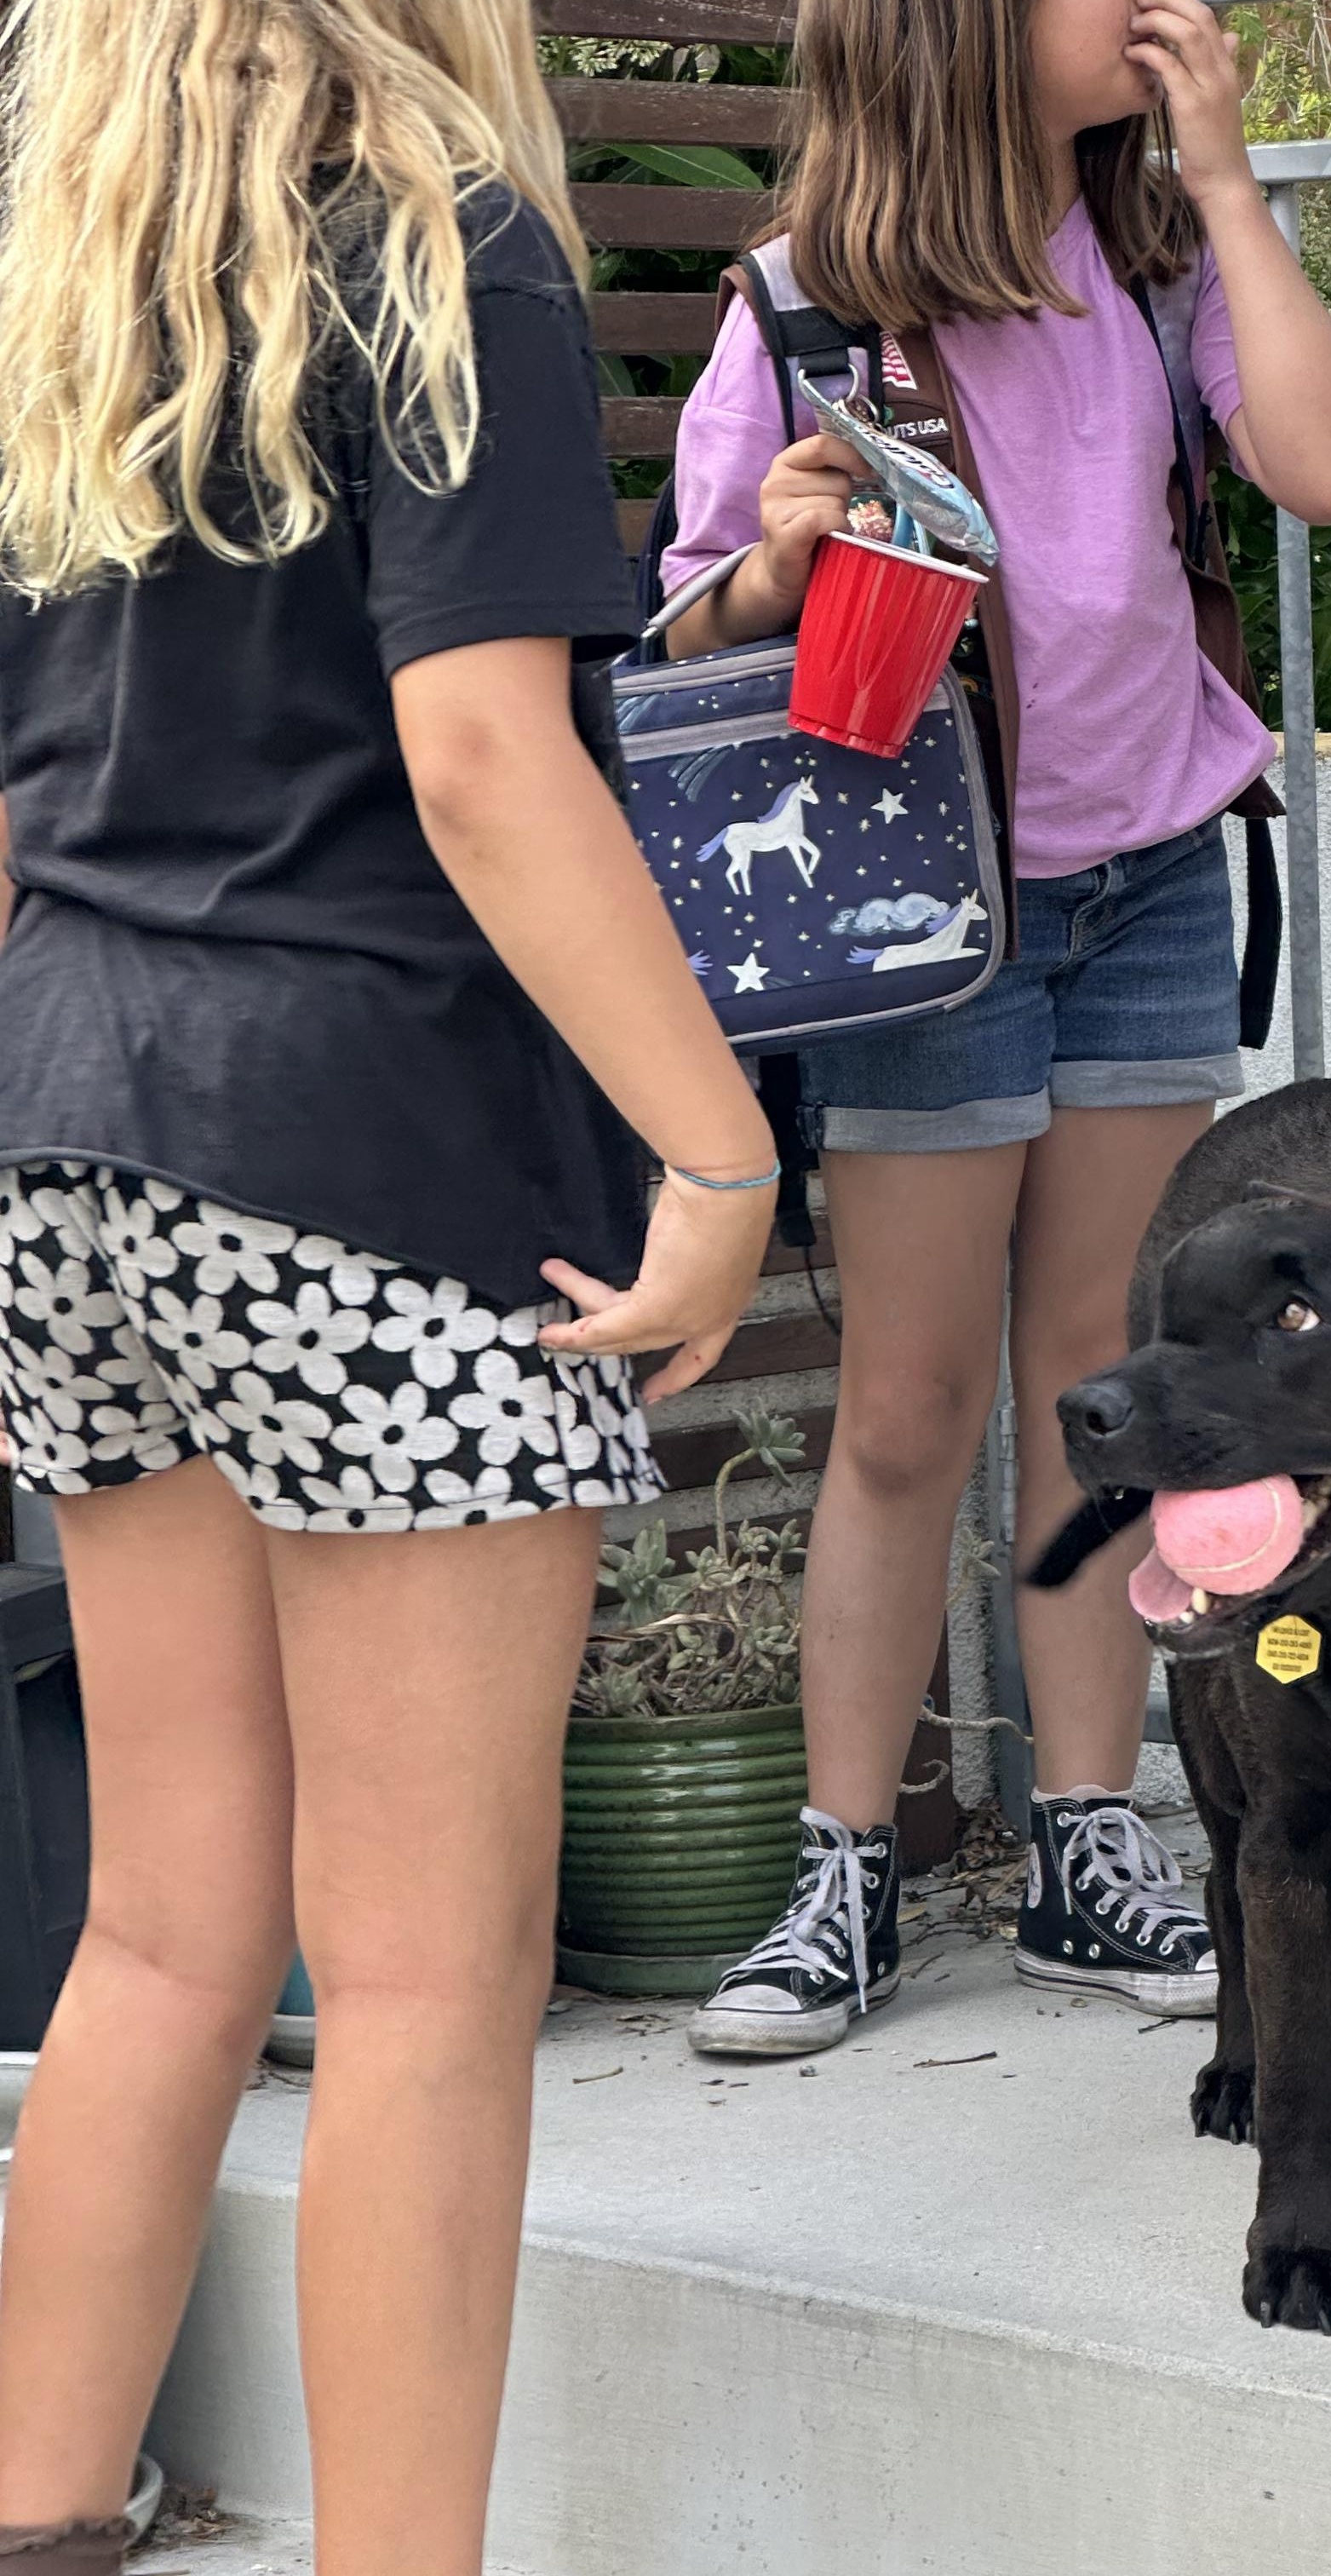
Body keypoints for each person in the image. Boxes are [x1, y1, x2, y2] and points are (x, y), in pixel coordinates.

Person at [0, 3, 775, 2566]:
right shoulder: (441, 246)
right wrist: (714, 1139)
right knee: (433, 1986)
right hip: (374, 1147)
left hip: (78, 1126)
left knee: (156, 1926)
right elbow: (479, 752)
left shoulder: (65, 282)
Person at [662, 0, 1331, 2058]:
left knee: (1106, 1385)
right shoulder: (806, 308)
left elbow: (1327, 472)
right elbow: (689, 611)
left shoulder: (1155, 262)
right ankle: (842, 1862)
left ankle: (1089, 1833)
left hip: (1147, 877)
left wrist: (1231, 180)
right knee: (899, 1410)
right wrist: (774, 567)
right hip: (922, 908)